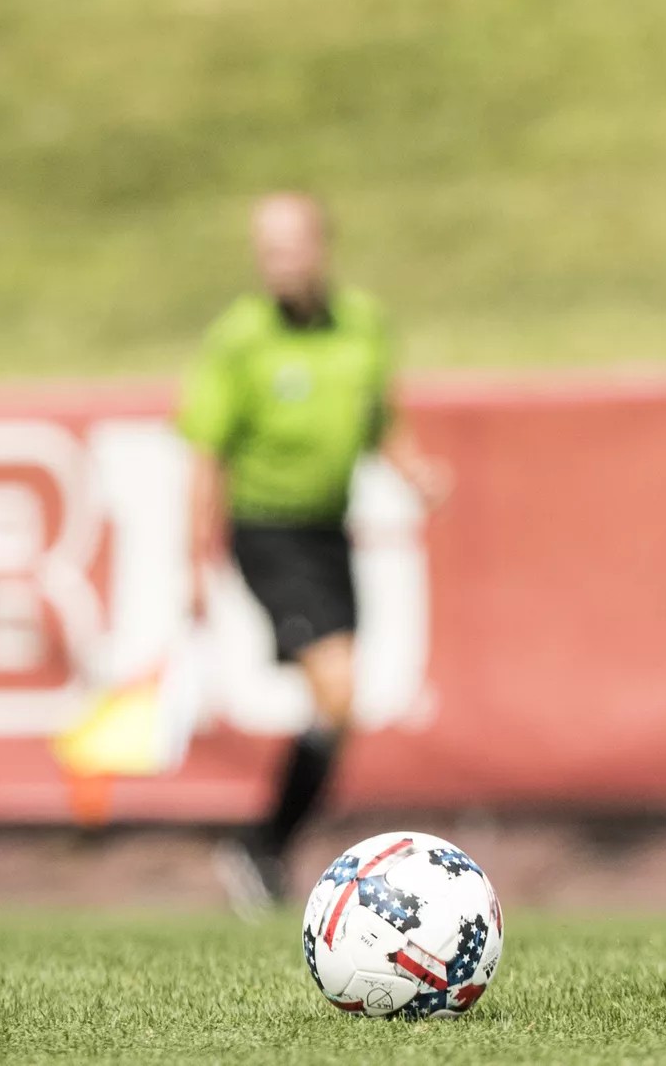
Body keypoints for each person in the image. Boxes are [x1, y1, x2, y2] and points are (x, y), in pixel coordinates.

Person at [182, 192, 451, 916]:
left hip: (330, 532)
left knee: (341, 703)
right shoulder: (239, 339)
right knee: (336, 685)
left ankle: (262, 848)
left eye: (291, 247)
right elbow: (205, 451)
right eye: (267, 251)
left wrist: (414, 470)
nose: (280, 263)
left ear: (320, 248)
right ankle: (260, 844)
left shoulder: (363, 325)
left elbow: (380, 421)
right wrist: (192, 564)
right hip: (267, 529)